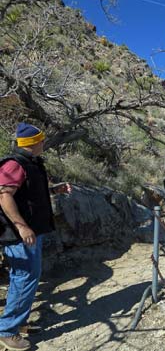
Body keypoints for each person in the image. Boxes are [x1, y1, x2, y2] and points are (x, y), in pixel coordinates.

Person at [0, 123, 71, 351]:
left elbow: (29, 193)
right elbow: (4, 196)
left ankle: (17, 323)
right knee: (24, 278)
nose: (44, 143)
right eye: (41, 140)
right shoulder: (14, 164)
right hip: (19, 235)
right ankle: (7, 331)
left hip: (31, 233)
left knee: (26, 277)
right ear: (33, 143)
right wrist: (22, 227)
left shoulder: (31, 164)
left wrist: (54, 190)